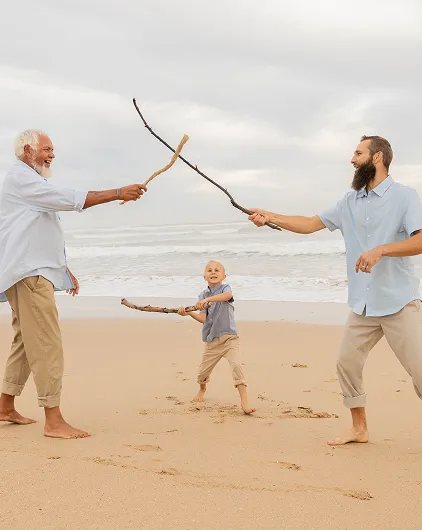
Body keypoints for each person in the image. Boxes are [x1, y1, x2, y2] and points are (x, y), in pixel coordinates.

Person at [248, 135, 422, 445]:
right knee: (347, 362)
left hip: (399, 301)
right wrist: (271, 216)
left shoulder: (406, 197)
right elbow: (309, 224)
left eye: (358, 153)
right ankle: (359, 429)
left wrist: (381, 250)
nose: (352, 159)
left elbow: (419, 241)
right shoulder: (348, 202)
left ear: (378, 157)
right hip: (363, 304)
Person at [0, 129, 147, 439]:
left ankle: (5, 406)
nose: (52, 155)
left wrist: (63, 270)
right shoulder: (22, 179)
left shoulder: (29, 182)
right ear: (28, 149)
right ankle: (53, 421)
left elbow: (37, 230)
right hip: (28, 274)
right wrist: (117, 193)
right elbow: (68, 199)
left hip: (28, 270)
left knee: (26, 341)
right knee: (46, 343)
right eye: (47, 149)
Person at [178, 260, 255, 414]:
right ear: (204, 276)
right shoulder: (202, 295)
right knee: (202, 374)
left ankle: (245, 404)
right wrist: (190, 313)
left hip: (229, 339)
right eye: (209, 270)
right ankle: (202, 388)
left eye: (217, 270)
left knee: (237, 367)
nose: (213, 272)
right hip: (211, 342)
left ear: (224, 276)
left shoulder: (225, 289)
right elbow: (203, 319)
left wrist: (207, 301)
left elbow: (227, 296)